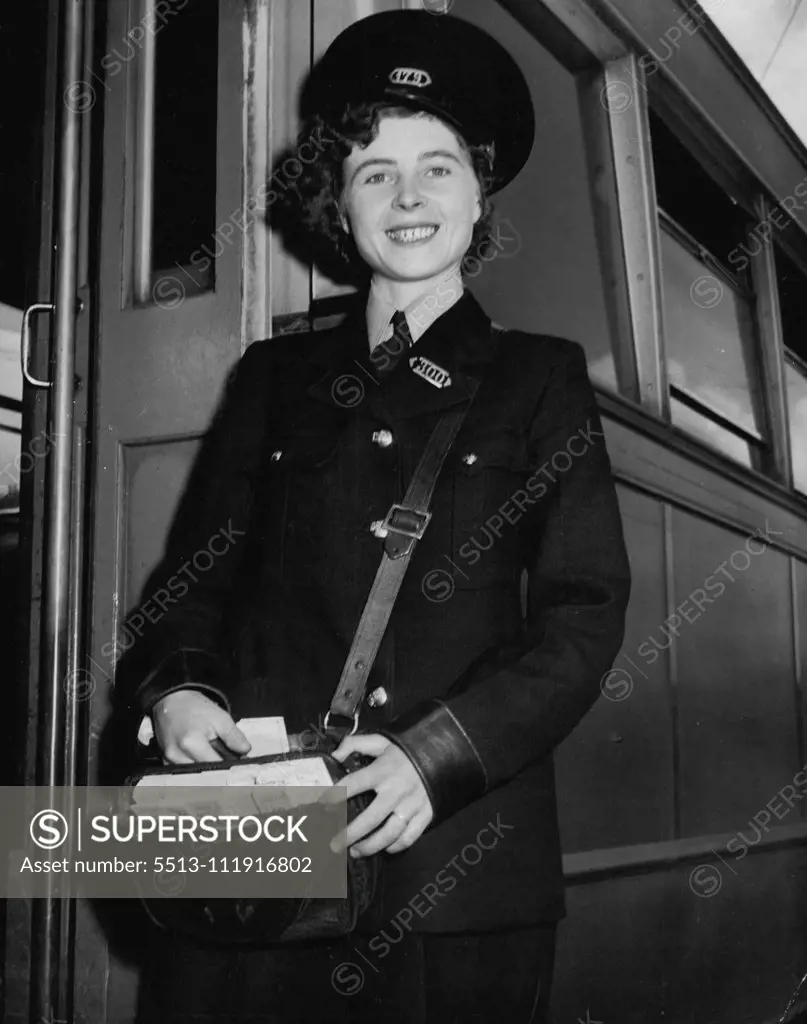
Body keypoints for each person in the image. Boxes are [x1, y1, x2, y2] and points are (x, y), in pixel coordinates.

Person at [117, 11, 631, 1023]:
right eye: (373, 171)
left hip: (455, 864)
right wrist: (177, 696)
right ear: (338, 204)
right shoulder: (270, 380)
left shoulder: (539, 379)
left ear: (480, 195)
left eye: (437, 168)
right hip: (258, 858)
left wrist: (438, 756)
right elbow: (193, 589)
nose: (407, 198)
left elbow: (583, 615)